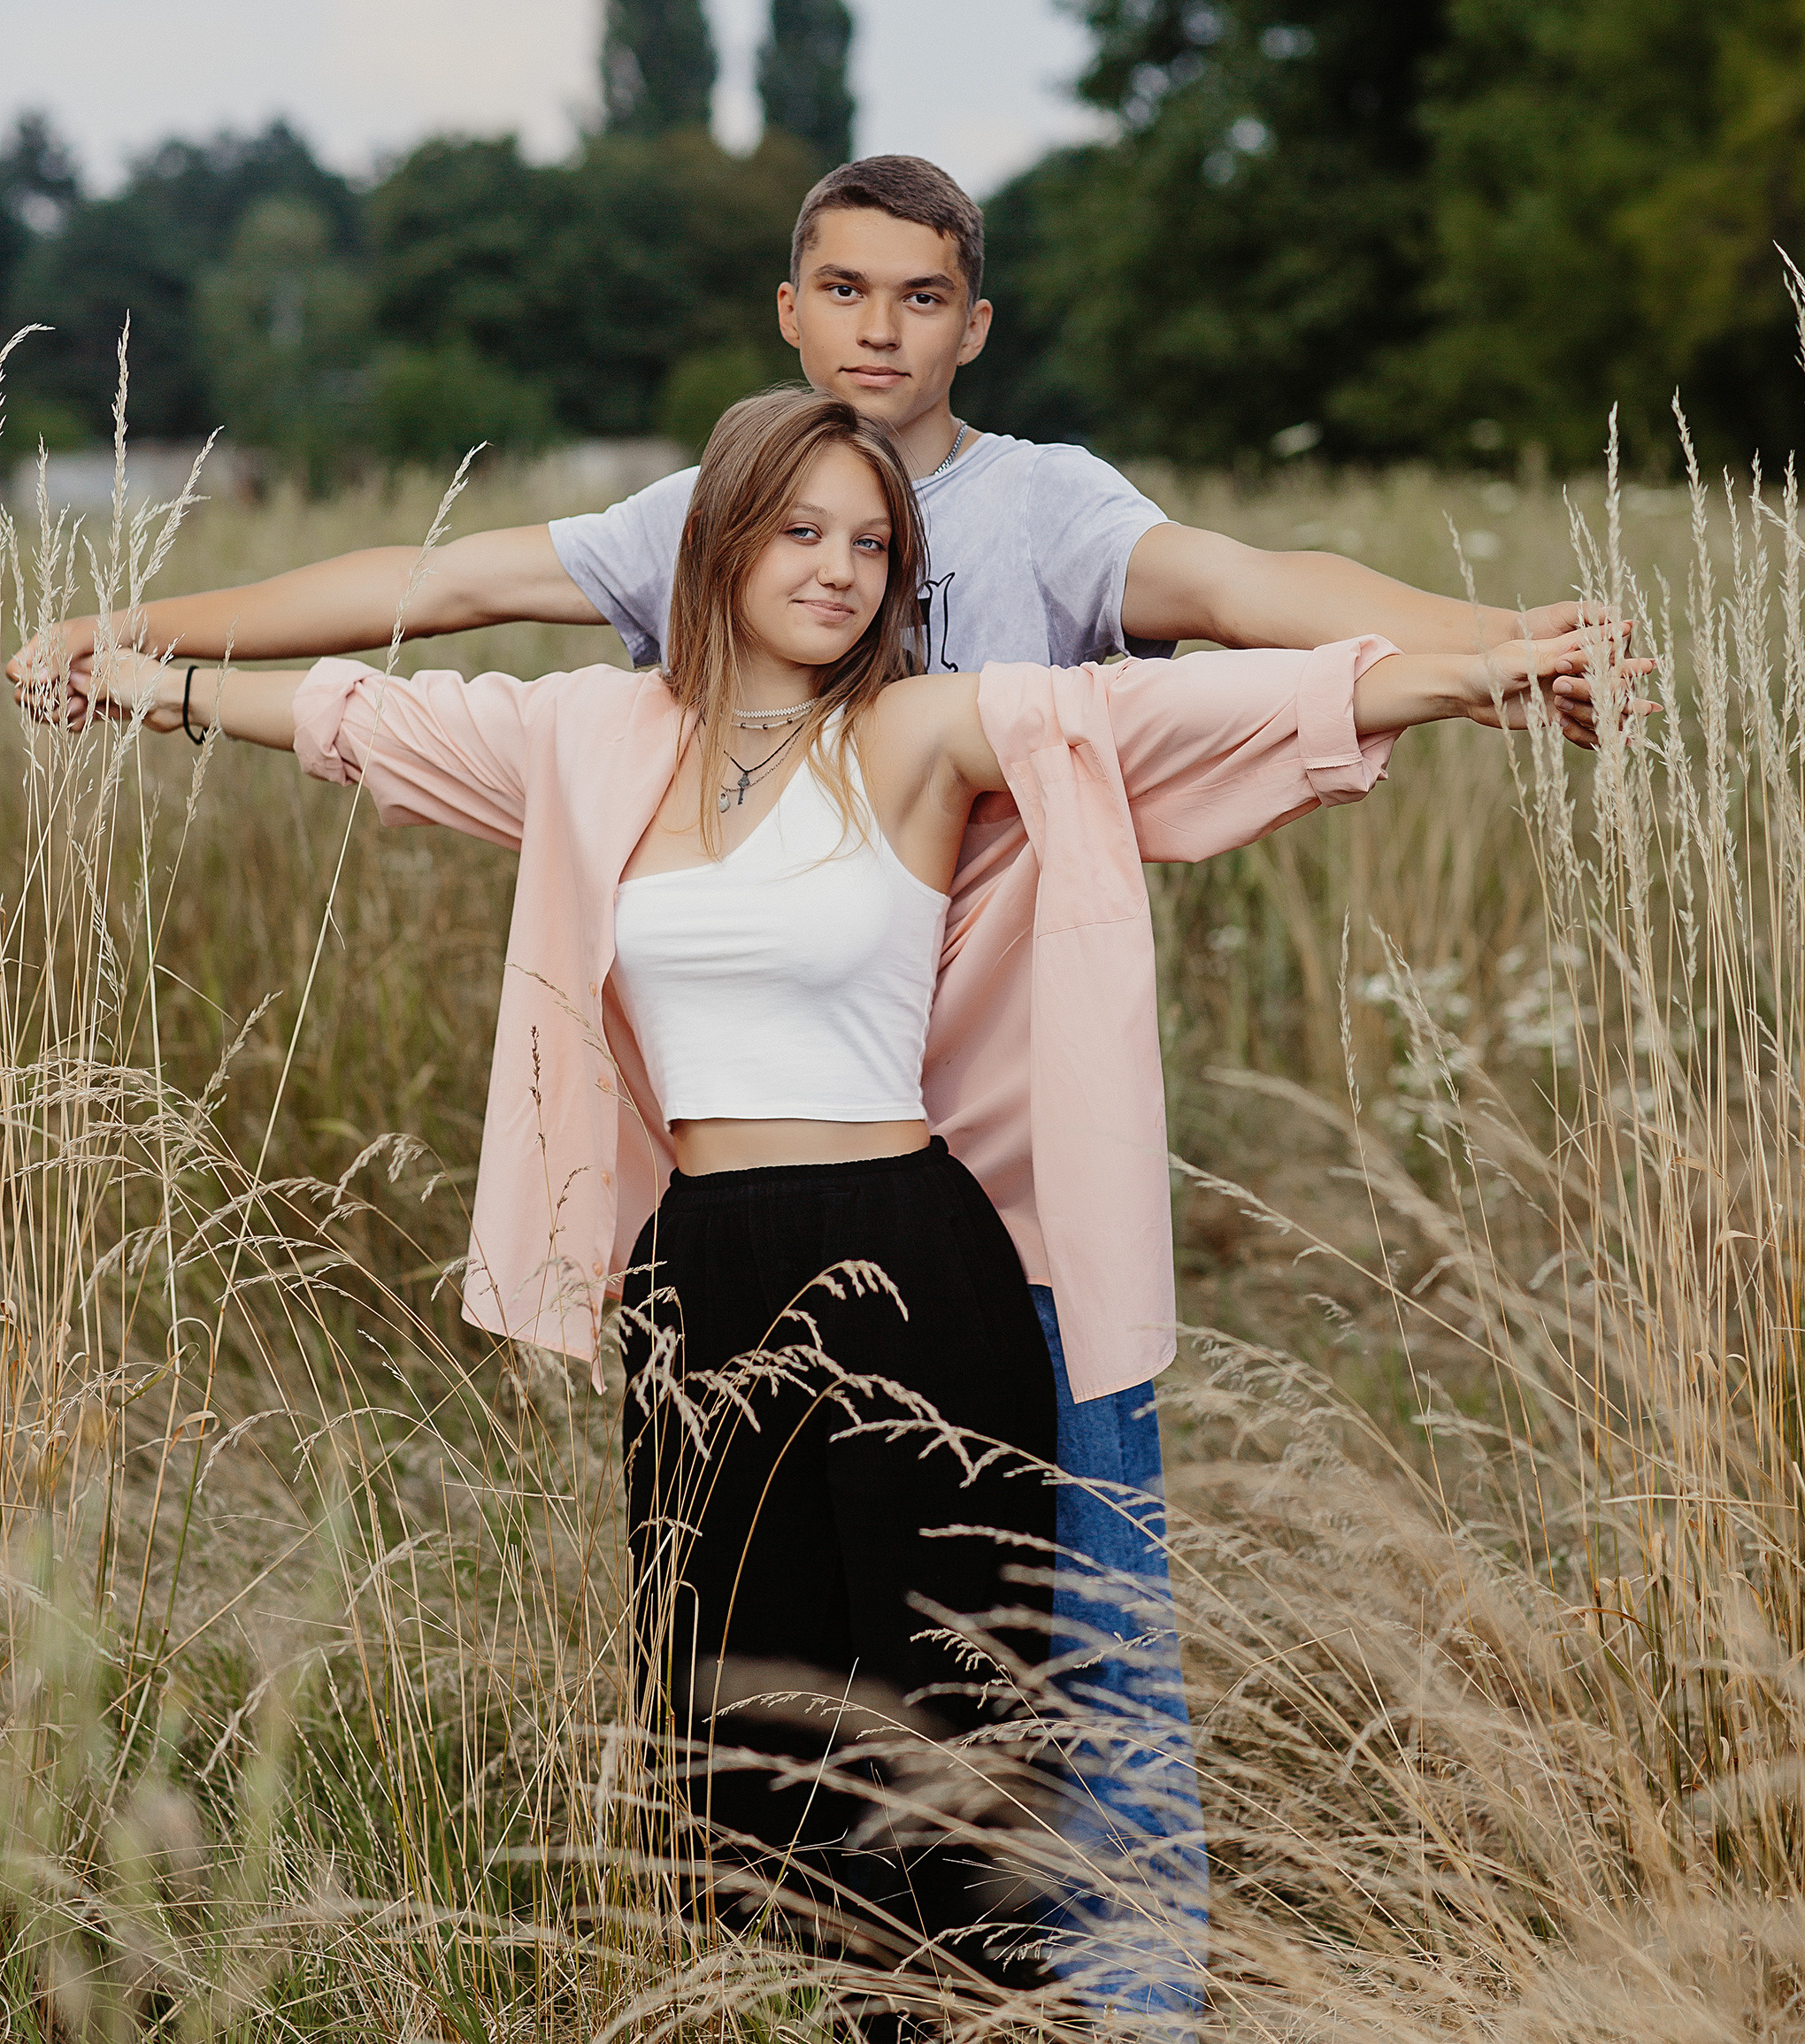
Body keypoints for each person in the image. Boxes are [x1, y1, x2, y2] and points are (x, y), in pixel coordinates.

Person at [71, 383, 1609, 2025]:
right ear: (719, 536)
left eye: (873, 544)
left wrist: (1463, 673)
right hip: (697, 1281)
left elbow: (1172, 714)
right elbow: (362, 717)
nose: (839, 569)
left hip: (904, 1265)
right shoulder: (586, 741)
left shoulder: (924, 732)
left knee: (955, 1734)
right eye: (801, 531)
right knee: (754, 1755)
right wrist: (140, 679)